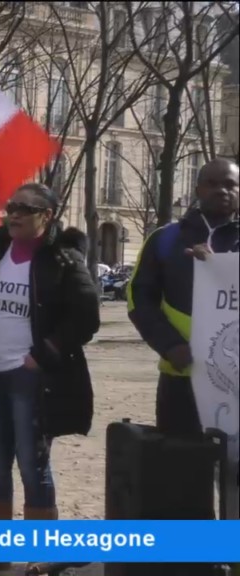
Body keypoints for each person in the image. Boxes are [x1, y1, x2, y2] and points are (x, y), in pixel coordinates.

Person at [0, 183, 99, 574]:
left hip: (31, 378)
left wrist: (43, 354)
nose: (13, 213)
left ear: (46, 216)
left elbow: (85, 317)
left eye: (25, 208)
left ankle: (42, 551)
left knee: (33, 463)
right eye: (11, 205)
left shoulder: (63, 259)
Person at [126, 157, 239, 521]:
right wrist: (171, 346)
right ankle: (196, 561)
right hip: (181, 377)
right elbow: (137, 300)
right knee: (183, 473)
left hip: (235, 383)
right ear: (197, 188)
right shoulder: (165, 240)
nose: (223, 190)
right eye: (213, 183)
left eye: (232, 184)